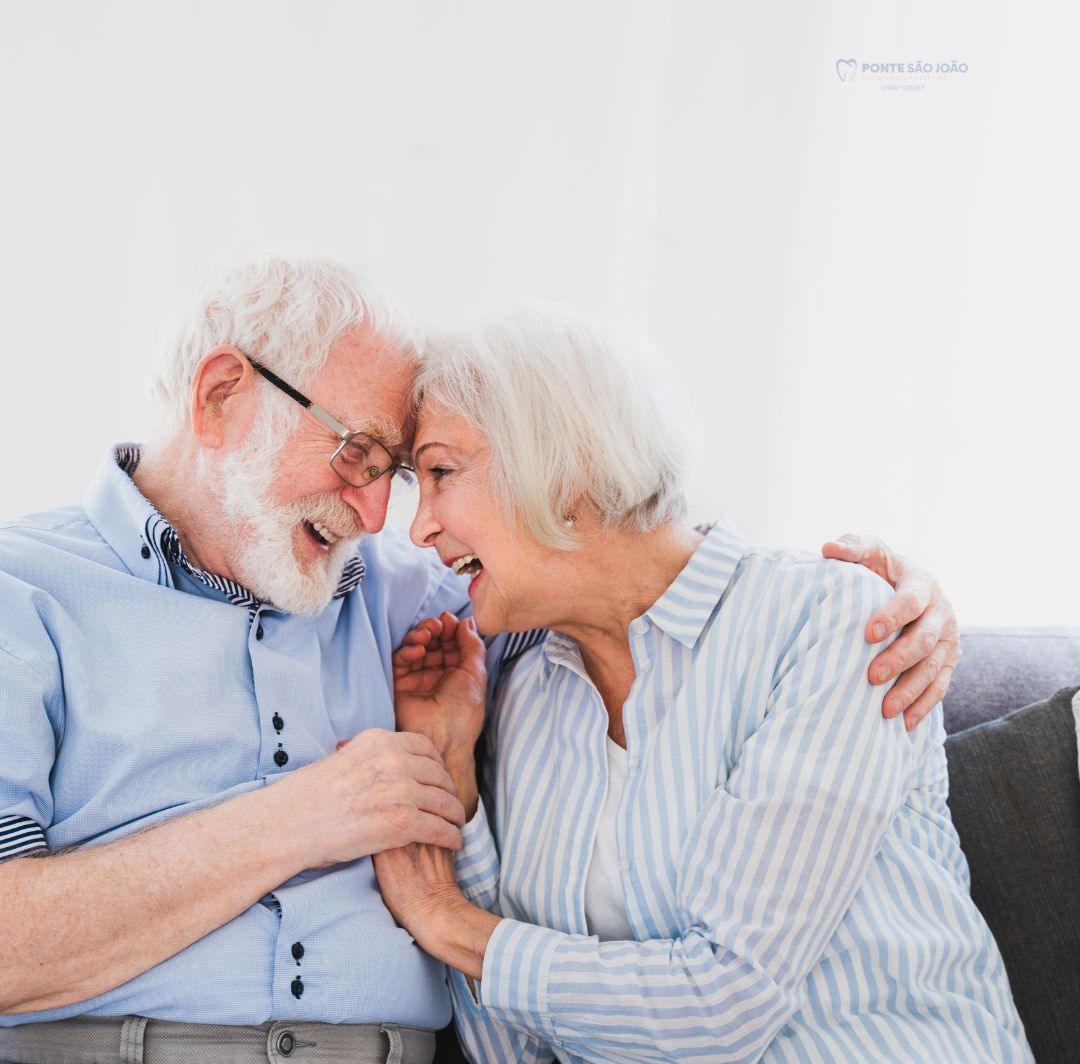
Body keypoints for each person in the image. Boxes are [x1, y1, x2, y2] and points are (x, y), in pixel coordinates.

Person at [0, 255, 956, 1064]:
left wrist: (895, 597)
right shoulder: (26, 593)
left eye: (408, 474)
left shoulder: (428, 606)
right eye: (358, 456)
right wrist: (307, 817)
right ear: (220, 397)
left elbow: (616, 560)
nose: (381, 520)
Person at [373, 307, 1032, 1063]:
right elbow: (512, 1049)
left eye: (441, 473)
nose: (418, 529)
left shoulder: (828, 622)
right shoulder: (524, 691)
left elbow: (726, 1004)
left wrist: (442, 916)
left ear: (565, 461)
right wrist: (454, 774)